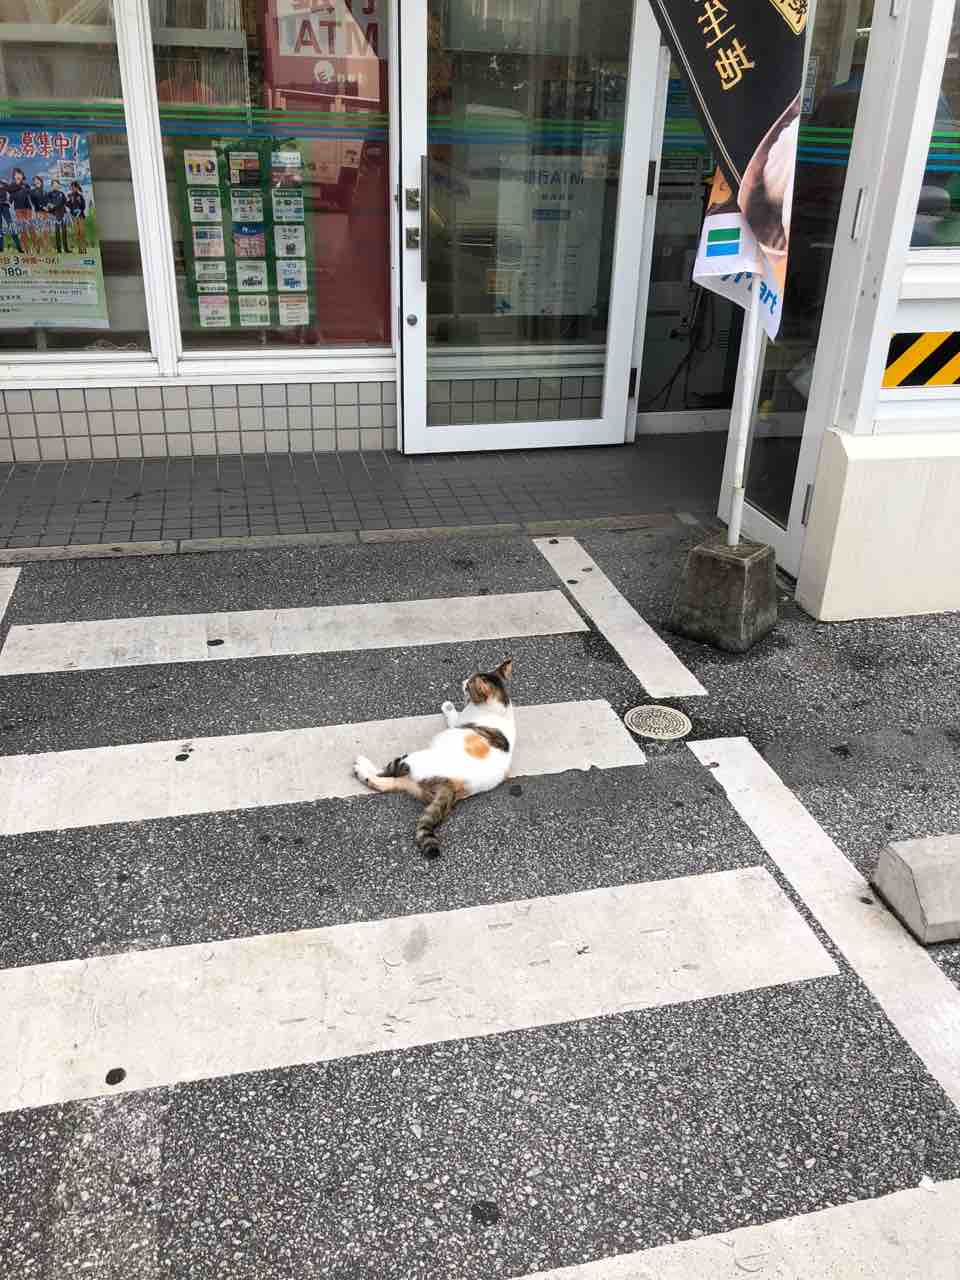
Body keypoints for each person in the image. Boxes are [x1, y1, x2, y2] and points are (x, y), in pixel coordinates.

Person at [8, 168, 35, 251]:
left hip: (27, 209)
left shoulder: (26, 185)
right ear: (14, 176)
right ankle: (26, 248)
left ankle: (36, 246)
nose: (18, 175)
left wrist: (21, 186)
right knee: (22, 228)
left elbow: (30, 193)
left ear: (22, 175)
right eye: (16, 174)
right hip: (18, 210)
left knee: (30, 227)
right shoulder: (12, 186)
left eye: (19, 174)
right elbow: (10, 199)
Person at [45, 179, 70, 254]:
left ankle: (66, 249)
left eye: (57, 184)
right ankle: (59, 250)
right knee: (57, 232)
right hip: (55, 215)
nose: (55, 185)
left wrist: (69, 201)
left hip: (63, 214)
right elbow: (48, 204)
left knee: (64, 231)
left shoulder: (62, 193)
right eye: (54, 184)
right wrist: (51, 208)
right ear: (51, 186)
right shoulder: (49, 194)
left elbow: (66, 203)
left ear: (59, 185)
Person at [0, 175, 24, 253]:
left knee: (10, 225)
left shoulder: (4, 183)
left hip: (4, 206)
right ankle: (1, 248)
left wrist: (18, 184)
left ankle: (19, 247)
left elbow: (13, 188)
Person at [30, 175, 49, 252]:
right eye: (35, 180)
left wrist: (48, 206)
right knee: (38, 231)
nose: (36, 181)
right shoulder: (33, 192)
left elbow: (47, 201)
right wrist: (42, 206)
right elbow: (35, 203)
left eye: (38, 180)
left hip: (45, 213)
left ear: (41, 182)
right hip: (38, 212)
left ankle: (46, 248)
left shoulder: (45, 191)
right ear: (34, 183)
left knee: (45, 231)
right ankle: (37, 247)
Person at [66, 180, 86, 251]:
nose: (72, 188)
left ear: (77, 187)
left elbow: (83, 206)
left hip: (80, 216)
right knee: (77, 232)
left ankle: (84, 247)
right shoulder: (70, 196)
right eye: (71, 187)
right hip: (74, 216)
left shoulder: (80, 195)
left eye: (74, 187)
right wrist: (67, 200)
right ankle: (80, 248)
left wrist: (80, 209)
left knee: (82, 231)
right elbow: (68, 205)